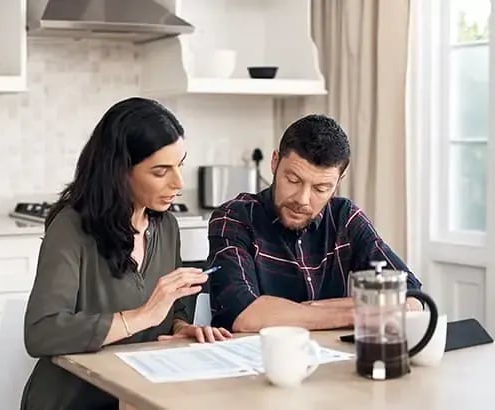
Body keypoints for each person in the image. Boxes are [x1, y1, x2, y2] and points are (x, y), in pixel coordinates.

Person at [21, 97, 232, 410]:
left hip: (139, 396)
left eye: (180, 165)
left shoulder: (166, 226)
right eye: (161, 171)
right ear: (120, 172)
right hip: (74, 402)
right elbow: (41, 332)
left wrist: (181, 329)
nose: (179, 183)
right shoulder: (71, 227)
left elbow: (173, 312)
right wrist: (144, 315)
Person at [207, 114, 423, 333]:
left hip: (332, 358)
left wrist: (306, 310)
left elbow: (411, 296)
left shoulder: (345, 217)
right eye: (293, 180)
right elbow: (242, 314)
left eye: (320, 189)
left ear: (339, 181)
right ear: (274, 162)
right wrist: (355, 311)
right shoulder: (234, 217)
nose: (302, 199)